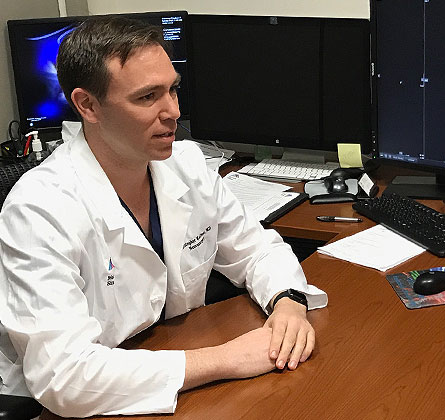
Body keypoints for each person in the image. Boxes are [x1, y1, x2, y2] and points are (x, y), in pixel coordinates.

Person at [0, 16, 327, 417]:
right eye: (147, 97)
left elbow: (256, 249)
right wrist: (226, 359)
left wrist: (289, 302)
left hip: (170, 365)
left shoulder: (186, 165)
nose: (172, 111)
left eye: (173, 89)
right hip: (76, 405)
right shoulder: (39, 208)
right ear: (88, 105)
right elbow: (64, 376)